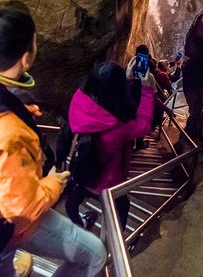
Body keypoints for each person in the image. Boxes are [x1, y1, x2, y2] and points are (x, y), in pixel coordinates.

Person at [0, 8, 106, 277]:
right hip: (5, 220)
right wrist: (54, 185)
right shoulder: (8, 133)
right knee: (94, 255)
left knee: (0, 258)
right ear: (26, 57)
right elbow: (19, 209)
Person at [65, 60, 156, 231]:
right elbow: (145, 124)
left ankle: (79, 223)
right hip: (108, 183)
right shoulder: (121, 126)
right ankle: (119, 242)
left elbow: (107, 100)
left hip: (81, 171)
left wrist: (126, 82)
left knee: (72, 203)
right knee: (122, 208)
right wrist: (146, 90)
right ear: (119, 89)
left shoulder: (78, 102)